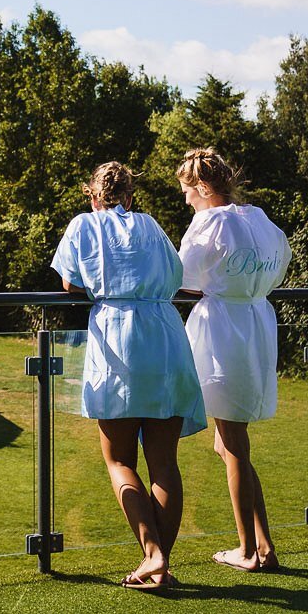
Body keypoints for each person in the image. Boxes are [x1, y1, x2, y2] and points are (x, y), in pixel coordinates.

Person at [52, 161, 206, 590]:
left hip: (118, 338)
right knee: (164, 464)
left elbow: (69, 283)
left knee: (118, 458)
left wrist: (103, 288)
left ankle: (152, 555)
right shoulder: (152, 226)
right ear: (131, 196)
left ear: (92, 195)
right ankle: (160, 568)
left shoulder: (85, 225)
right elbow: (176, 277)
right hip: (165, 334)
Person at [176, 147, 292, 573]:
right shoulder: (257, 218)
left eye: (188, 191)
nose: (186, 200)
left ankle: (249, 550)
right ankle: (263, 545)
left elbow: (181, 277)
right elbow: (280, 264)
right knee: (230, 444)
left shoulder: (208, 223)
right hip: (256, 321)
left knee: (233, 443)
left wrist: (214, 286)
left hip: (224, 330)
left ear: (203, 188)